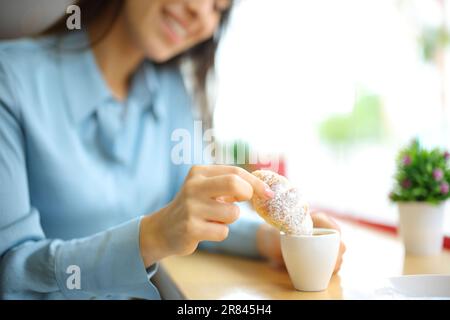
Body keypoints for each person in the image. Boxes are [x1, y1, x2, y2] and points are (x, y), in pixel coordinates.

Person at [0, 0, 345, 299]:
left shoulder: (170, 91)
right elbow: (9, 275)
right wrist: (149, 237)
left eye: (218, 7)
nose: (199, 10)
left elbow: (194, 216)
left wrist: (268, 240)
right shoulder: (10, 79)